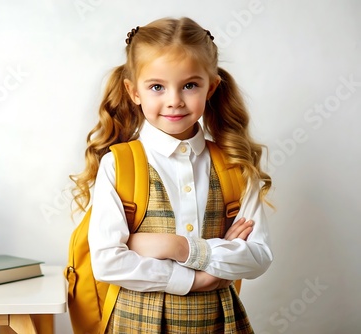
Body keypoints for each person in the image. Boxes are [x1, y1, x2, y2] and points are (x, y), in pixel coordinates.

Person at [70, 16, 273, 333]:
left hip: (218, 322)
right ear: (133, 91)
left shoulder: (235, 165)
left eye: (190, 85)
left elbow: (257, 257)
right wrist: (200, 276)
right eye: (156, 87)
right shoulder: (119, 164)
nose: (175, 100)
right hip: (136, 324)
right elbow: (108, 262)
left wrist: (180, 248)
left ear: (211, 87)